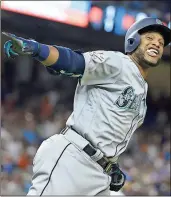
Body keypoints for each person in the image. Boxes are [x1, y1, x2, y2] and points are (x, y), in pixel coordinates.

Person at [3, 17, 171, 195]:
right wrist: (37, 49)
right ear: (133, 41)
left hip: (99, 173)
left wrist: (111, 165)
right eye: (150, 38)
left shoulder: (142, 89)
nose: (157, 44)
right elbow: (75, 62)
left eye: (161, 42)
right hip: (74, 160)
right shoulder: (118, 63)